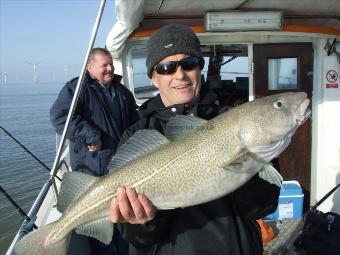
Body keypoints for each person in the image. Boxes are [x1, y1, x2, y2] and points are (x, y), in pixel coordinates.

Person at [109, 24, 280, 255]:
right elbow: (135, 238)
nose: (179, 75)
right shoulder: (137, 134)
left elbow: (264, 206)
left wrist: (246, 163)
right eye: (167, 67)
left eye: (188, 64)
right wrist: (142, 222)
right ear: (153, 77)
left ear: (200, 68)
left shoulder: (237, 122)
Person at [50, 47, 138, 255]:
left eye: (111, 64)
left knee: (123, 220)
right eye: (104, 65)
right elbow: (60, 116)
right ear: (90, 68)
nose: (109, 68)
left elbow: (135, 121)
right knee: (99, 225)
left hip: (121, 168)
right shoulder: (77, 89)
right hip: (92, 170)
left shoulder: (123, 92)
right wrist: (91, 135)